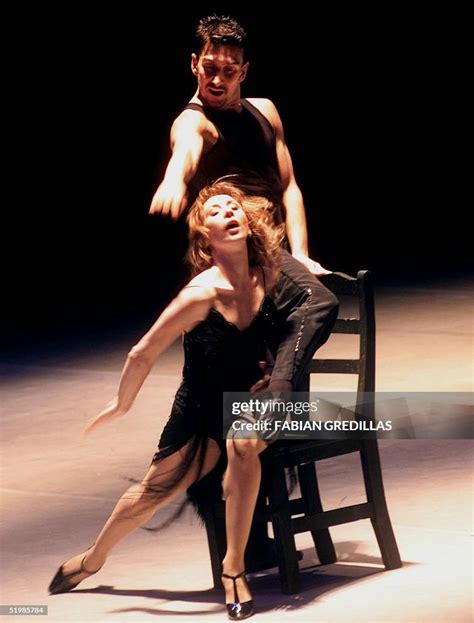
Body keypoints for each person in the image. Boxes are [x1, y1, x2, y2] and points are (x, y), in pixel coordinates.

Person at [49, 181, 294, 620]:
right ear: (205, 233)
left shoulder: (270, 272)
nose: (229, 213)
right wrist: (121, 404)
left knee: (241, 442)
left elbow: (293, 330)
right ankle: (93, 559)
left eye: (233, 206)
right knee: (151, 492)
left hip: (252, 403)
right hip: (199, 410)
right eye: (216, 211)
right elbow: (142, 352)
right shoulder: (200, 295)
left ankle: (233, 569)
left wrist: (276, 373)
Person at [149, 14, 338, 395]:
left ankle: (275, 409)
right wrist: (173, 178)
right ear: (193, 64)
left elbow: (289, 187)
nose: (217, 80)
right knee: (316, 302)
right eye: (209, 68)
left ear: (244, 70)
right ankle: (278, 390)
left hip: (272, 252)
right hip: (239, 252)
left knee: (274, 357)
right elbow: (185, 149)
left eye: (229, 70)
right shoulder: (195, 121)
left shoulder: (265, 111)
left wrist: (301, 253)